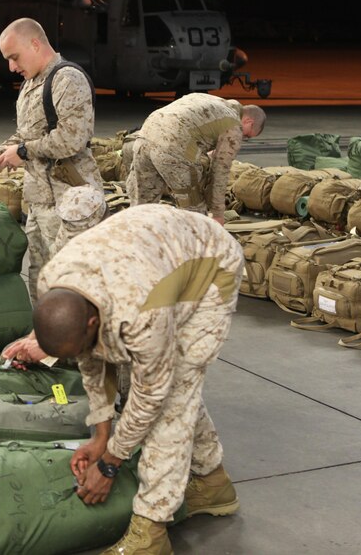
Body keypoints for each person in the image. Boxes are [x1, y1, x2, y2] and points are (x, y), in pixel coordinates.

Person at [32, 205, 243, 555]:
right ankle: (213, 482)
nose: (82, 353)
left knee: (174, 396)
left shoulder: (141, 311)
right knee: (173, 392)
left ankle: (151, 530)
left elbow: (152, 396)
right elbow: (90, 359)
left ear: (91, 323)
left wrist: (110, 464)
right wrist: (101, 434)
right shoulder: (52, 281)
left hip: (210, 267)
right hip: (153, 255)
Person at [0, 18, 103, 301]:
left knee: (71, 285)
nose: (11, 67)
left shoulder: (66, 78)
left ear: (35, 44)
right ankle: (45, 339)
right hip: (40, 204)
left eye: (14, 57)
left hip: (71, 204)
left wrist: (24, 152)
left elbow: (72, 138)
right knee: (40, 279)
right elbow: (27, 134)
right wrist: (4, 149)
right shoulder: (31, 84)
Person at [127, 94, 265, 223]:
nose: (244, 138)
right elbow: (220, 172)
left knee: (142, 206)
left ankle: (132, 240)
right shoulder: (234, 126)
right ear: (249, 122)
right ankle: (193, 245)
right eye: (248, 136)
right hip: (173, 145)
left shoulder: (213, 102)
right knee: (195, 213)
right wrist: (217, 213)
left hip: (144, 136)